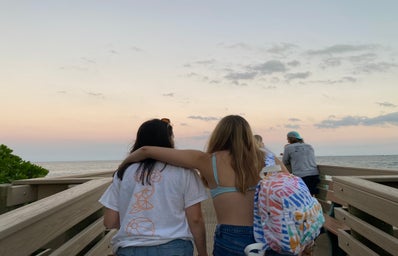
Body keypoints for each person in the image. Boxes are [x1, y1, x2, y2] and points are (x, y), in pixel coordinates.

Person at [118, 115, 267, 256]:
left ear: (219, 135)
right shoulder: (267, 158)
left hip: (231, 235)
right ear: (248, 135)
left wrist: (123, 166)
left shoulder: (206, 160)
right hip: (268, 233)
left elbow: (146, 150)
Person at [99, 118, 209, 256]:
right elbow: (195, 219)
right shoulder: (185, 172)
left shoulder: (123, 173)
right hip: (174, 247)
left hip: (130, 248)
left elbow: (110, 222)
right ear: (168, 140)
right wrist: (203, 252)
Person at [282, 131, 320, 195]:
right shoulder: (309, 146)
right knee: (310, 195)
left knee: (302, 196)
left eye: (287, 139)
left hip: (301, 176)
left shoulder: (288, 148)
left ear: (289, 139)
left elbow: (284, 162)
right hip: (314, 174)